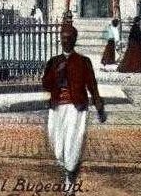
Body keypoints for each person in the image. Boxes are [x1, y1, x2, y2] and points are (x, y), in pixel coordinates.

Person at [42, 26, 106, 193]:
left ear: (74, 40)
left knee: (73, 143)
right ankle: (68, 170)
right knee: (57, 147)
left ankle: (70, 180)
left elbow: (92, 85)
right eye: (63, 38)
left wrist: (99, 107)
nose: (66, 41)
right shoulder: (54, 61)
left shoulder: (83, 61)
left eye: (69, 38)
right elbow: (46, 84)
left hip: (76, 108)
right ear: (60, 39)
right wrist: (57, 72)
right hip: (57, 108)